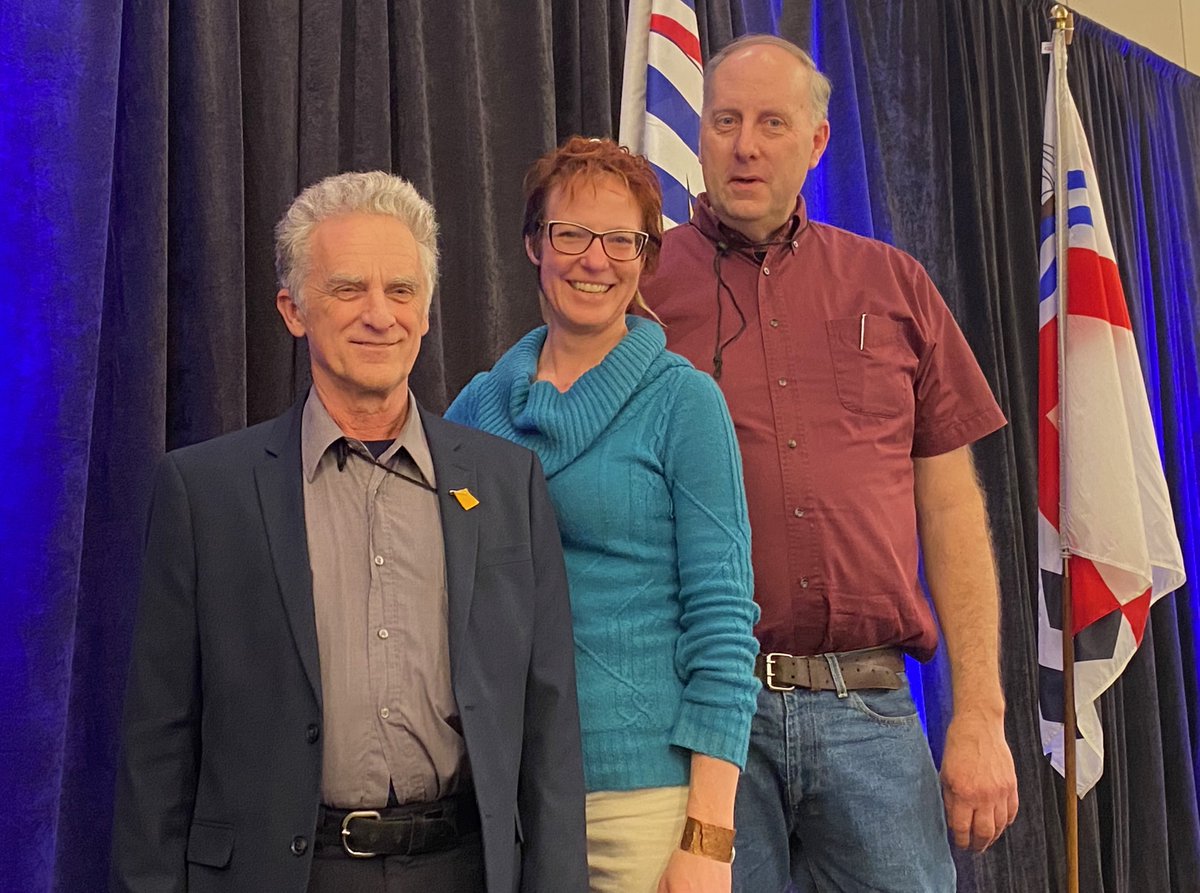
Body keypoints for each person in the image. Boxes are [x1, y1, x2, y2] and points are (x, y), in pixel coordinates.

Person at [111, 171, 589, 893]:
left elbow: (550, 730)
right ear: (293, 308)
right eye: (347, 289)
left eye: (400, 291)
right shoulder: (204, 494)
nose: (379, 314)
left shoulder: (507, 485)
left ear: (426, 311)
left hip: (462, 868)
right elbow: (158, 749)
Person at [639, 35, 1020, 893]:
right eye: (726, 120)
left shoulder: (894, 286)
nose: (744, 144)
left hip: (872, 711)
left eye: (772, 122)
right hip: (704, 721)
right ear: (699, 135)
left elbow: (955, 510)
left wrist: (982, 715)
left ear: (815, 143)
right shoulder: (640, 292)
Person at [445, 137, 760, 893]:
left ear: (647, 257)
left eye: (622, 240)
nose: (596, 259)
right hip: (504, 797)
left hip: (641, 807)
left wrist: (708, 838)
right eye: (571, 234)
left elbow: (722, 624)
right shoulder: (477, 408)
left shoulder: (685, 403)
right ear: (532, 245)